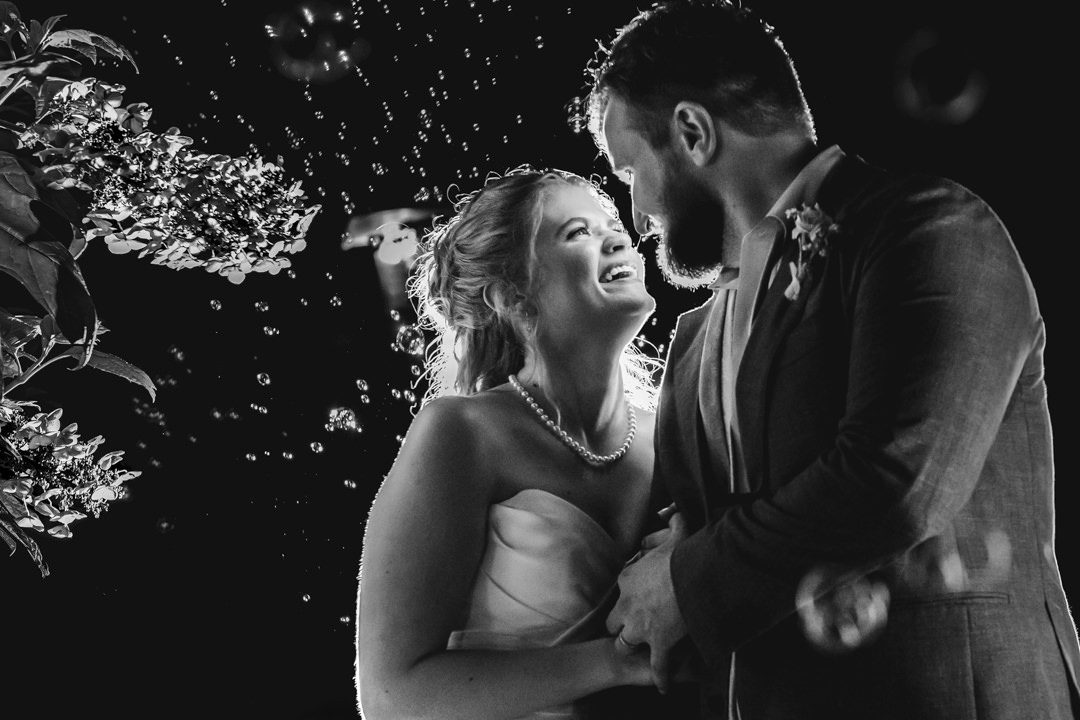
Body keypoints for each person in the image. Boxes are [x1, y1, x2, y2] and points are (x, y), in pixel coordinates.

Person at [584, 1, 1080, 718]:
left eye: (631, 172)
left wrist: (685, 582)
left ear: (692, 132)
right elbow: (697, 525)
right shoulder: (692, 342)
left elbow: (896, 477)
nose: (636, 215)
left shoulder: (926, 228)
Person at [355, 167, 675, 719]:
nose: (620, 238)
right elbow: (391, 697)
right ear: (512, 296)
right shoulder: (462, 434)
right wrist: (617, 664)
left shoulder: (673, 434)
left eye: (612, 226)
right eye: (578, 232)